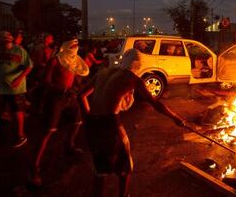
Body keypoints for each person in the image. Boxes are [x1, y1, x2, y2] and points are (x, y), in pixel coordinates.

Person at [78, 48, 185, 197]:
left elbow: (81, 95)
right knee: (124, 167)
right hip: (110, 125)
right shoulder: (132, 78)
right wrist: (176, 118)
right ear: (137, 65)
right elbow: (155, 104)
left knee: (100, 169)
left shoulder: (103, 72)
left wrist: (88, 120)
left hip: (94, 125)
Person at [31, 37, 89, 186]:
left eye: (77, 46)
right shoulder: (55, 61)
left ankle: (69, 145)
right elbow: (45, 82)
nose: (75, 48)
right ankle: (35, 165)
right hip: (56, 98)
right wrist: (62, 90)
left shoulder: (75, 60)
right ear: (66, 46)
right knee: (49, 131)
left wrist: (77, 87)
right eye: (73, 46)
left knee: (77, 121)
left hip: (70, 97)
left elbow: (76, 78)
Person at [0, 31, 33, 147]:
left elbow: (29, 66)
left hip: (14, 89)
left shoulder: (19, 51)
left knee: (17, 111)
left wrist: (19, 79)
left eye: (7, 42)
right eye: (3, 43)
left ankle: (20, 135)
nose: (5, 45)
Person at [29, 33, 54, 112]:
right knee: (42, 90)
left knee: (36, 90)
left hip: (34, 69)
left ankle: (33, 108)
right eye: (51, 38)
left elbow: (31, 58)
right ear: (46, 39)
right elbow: (47, 60)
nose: (52, 40)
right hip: (42, 70)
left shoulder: (35, 47)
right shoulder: (46, 48)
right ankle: (39, 109)